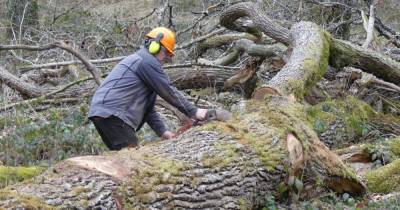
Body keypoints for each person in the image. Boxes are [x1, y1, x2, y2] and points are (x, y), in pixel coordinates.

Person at [88, 27, 208, 150]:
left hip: (105, 113)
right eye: (166, 53)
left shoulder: (143, 64)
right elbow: (168, 91)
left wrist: (162, 131)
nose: (167, 58)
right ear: (155, 46)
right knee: (133, 158)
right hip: (113, 113)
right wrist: (194, 111)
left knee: (123, 156)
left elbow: (148, 110)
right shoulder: (146, 61)